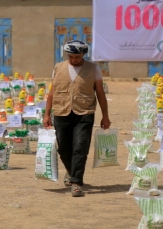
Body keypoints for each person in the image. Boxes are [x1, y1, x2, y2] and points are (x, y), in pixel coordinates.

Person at [43, 40, 111, 197]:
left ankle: (76, 183)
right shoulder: (58, 68)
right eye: (71, 57)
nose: (74, 60)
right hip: (61, 112)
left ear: (83, 55)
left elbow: (100, 93)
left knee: (80, 147)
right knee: (64, 149)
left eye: (77, 57)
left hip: (84, 112)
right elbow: (52, 93)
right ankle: (71, 171)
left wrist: (105, 116)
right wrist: (47, 114)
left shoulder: (93, 69)